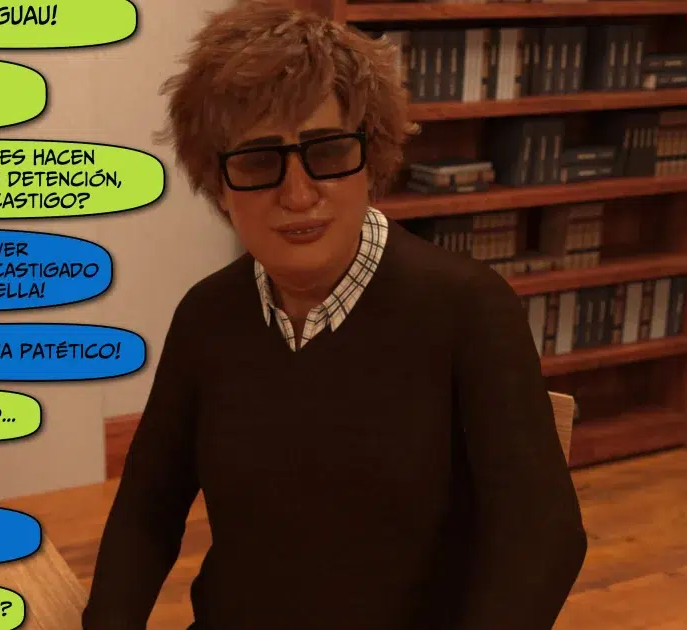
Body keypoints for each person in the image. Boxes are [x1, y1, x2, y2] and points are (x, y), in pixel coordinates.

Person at [82, 2, 587, 628]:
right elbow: (146, 511)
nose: (298, 194)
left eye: (326, 151)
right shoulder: (206, 316)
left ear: (371, 160)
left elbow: (543, 536)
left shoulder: (469, 309)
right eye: (258, 161)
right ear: (219, 186)